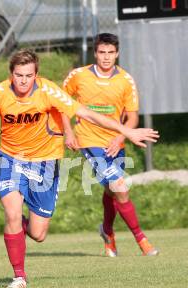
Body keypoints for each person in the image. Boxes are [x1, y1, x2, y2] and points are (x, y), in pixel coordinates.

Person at [0, 49, 159, 288]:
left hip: (45, 163)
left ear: (36, 74)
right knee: (12, 213)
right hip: (11, 160)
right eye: (18, 75)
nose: (23, 80)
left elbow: (86, 113)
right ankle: (19, 276)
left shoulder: (48, 91)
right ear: (11, 74)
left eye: (28, 75)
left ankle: (20, 229)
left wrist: (125, 131)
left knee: (38, 234)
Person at [62, 33, 159, 257]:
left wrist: (120, 138)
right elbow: (61, 105)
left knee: (112, 190)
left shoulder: (126, 80)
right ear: (95, 53)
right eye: (102, 52)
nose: (106, 57)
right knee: (121, 188)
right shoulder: (78, 76)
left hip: (115, 142)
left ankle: (107, 232)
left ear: (117, 54)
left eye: (110, 53)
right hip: (89, 140)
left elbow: (132, 118)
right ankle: (141, 239)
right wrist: (68, 133)